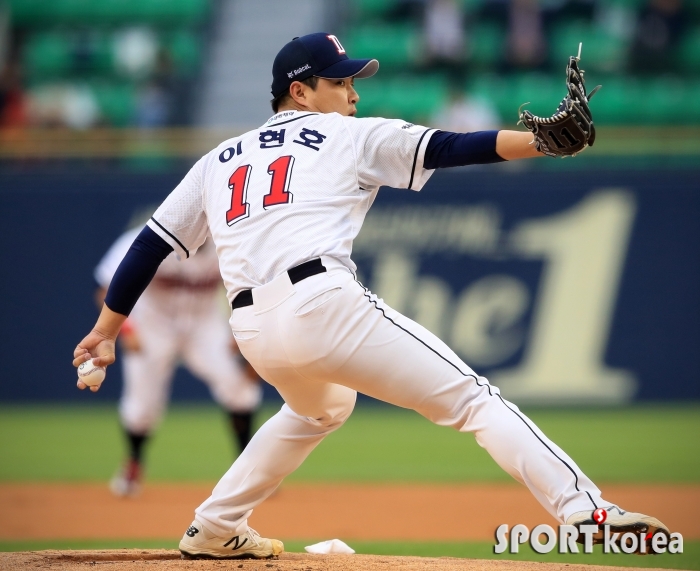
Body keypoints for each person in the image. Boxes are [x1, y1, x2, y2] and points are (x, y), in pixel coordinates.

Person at [73, 33, 669, 559]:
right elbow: (454, 147)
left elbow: (150, 244)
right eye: (340, 80)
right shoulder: (346, 135)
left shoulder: (218, 160)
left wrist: (103, 330)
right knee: (474, 401)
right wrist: (541, 143)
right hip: (322, 303)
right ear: (300, 92)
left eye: (354, 81)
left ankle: (216, 525)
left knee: (320, 408)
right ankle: (587, 514)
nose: (353, 93)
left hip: (252, 329)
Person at [94, 226, 263, 497]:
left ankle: (250, 472)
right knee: (141, 408)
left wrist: (246, 332)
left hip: (205, 327)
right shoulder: (147, 237)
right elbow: (105, 288)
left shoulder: (230, 239)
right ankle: (133, 464)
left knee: (240, 389)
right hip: (152, 327)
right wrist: (124, 329)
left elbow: (252, 290)